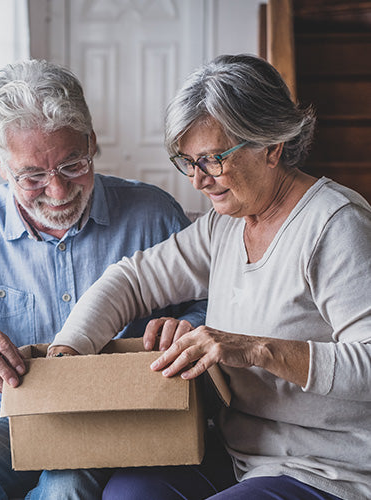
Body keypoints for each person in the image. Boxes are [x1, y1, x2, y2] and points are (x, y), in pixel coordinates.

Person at [0, 59, 206, 499]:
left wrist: (190, 325)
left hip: (117, 420)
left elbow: (217, 305)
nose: (58, 191)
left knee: (67, 485)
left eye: (72, 165)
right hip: (3, 420)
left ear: (92, 142)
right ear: (0, 163)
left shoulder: (153, 216)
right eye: (32, 176)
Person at [49, 54, 371, 500]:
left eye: (212, 160)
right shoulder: (226, 224)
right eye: (188, 162)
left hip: (326, 469)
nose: (198, 181)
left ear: (272, 147)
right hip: (239, 454)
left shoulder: (335, 225)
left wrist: (256, 348)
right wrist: (69, 350)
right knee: (127, 494)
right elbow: (133, 280)